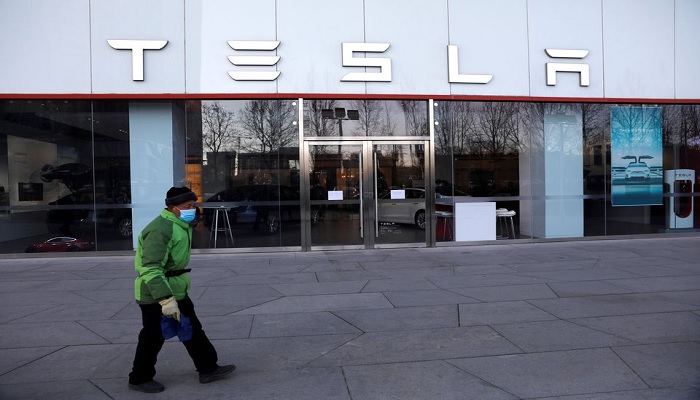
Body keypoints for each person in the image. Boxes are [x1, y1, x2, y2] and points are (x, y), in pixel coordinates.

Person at [128, 186, 235, 393]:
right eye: (188, 206)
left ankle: (208, 368)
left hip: (176, 289)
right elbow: (150, 268)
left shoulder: (179, 224)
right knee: (153, 336)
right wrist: (166, 300)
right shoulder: (161, 229)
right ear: (173, 207)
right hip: (155, 295)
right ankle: (139, 378)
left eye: (193, 205)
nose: (192, 210)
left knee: (192, 329)